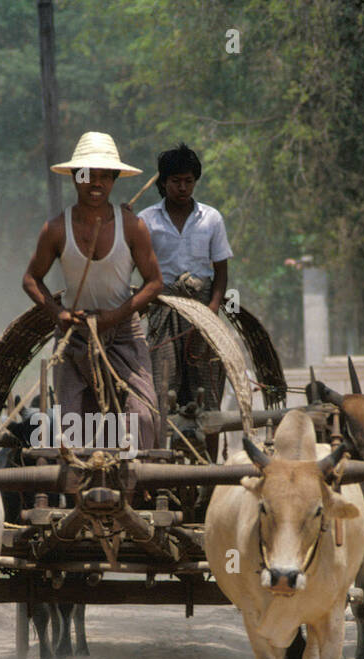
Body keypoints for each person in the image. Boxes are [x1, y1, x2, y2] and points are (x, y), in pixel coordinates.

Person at [21, 131, 164, 450]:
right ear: (75, 177)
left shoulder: (131, 226)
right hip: (75, 338)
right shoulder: (56, 229)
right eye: (87, 175)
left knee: (142, 418)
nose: (95, 183)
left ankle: (136, 483)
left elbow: (155, 282)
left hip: (125, 336)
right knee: (74, 427)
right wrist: (59, 313)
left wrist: (116, 316)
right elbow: (31, 279)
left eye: (104, 176)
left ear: (114, 180)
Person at [136, 143, 234, 447]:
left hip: (202, 308)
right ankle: (158, 455)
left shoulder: (212, 218)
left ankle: (209, 464)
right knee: (162, 384)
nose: (182, 187)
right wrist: (124, 224)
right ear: (163, 183)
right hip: (162, 307)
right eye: (175, 181)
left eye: (188, 181)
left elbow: (220, 271)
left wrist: (212, 311)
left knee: (207, 385)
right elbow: (133, 261)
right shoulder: (145, 220)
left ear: (195, 181)